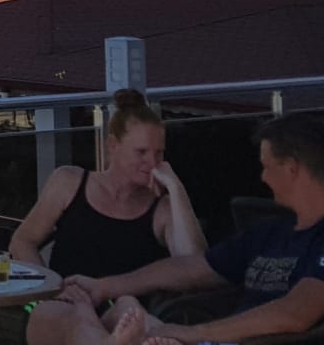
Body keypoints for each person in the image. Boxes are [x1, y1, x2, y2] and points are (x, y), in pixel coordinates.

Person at [27, 112, 324, 345]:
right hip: (208, 340)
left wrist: (192, 333)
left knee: (88, 319)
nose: (262, 177)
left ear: (291, 168)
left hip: (228, 340)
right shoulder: (271, 232)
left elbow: (295, 313)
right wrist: (103, 287)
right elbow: (193, 268)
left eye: (266, 166)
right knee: (81, 312)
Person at [12, 89, 206, 282]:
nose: (152, 162)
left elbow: (195, 269)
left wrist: (176, 188)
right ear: (113, 145)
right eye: (141, 152)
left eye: (159, 153)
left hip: (129, 302)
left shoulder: (163, 208)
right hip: (65, 298)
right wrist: (51, 288)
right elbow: (23, 241)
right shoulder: (68, 183)